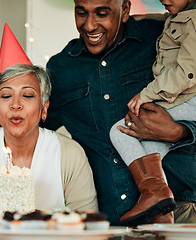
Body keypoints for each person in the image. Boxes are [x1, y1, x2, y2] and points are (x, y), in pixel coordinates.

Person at [44, 0, 196, 225]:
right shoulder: (61, 68)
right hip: (110, 219)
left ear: (124, 9)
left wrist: (180, 132)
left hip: (181, 210)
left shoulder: (162, 37)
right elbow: (38, 135)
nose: (89, 25)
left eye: (102, 13)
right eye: (81, 13)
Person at [0, 24, 98, 213]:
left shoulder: (70, 155)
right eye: (5, 96)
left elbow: (86, 226)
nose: (16, 104)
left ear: (44, 108)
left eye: (27, 95)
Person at [109, 0, 196, 226]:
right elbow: (176, 24)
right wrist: (150, 20)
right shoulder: (180, 15)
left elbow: (187, 73)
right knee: (153, 149)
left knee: (119, 132)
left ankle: (155, 196)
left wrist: (147, 94)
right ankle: (161, 208)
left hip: (189, 98)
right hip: (183, 97)